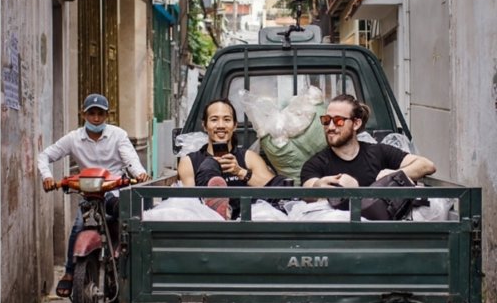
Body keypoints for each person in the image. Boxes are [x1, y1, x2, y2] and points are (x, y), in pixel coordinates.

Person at [37, 93, 149, 298]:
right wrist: (47, 176)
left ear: (107, 115)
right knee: (78, 226)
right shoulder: (73, 138)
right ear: (84, 115)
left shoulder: (118, 135)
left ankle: (127, 257)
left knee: (127, 219)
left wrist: (139, 173)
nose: (96, 118)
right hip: (89, 193)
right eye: (91, 113)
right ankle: (69, 271)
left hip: (114, 190)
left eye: (100, 114)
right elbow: (45, 155)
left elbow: (131, 159)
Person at [301, 94, 436, 188]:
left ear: (356, 124)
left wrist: (394, 176)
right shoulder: (315, 164)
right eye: (326, 120)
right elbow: (309, 189)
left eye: (338, 121)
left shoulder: (379, 152)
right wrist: (319, 186)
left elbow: (427, 165)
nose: (330, 127)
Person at [176, 98, 277, 219]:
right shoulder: (189, 162)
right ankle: (217, 207)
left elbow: (273, 188)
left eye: (227, 120)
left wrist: (240, 172)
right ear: (204, 125)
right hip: (208, 223)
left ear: (235, 125)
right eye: (214, 120)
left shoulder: (249, 158)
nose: (221, 125)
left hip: (245, 223)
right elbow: (190, 204)